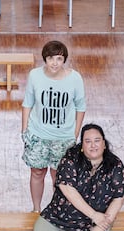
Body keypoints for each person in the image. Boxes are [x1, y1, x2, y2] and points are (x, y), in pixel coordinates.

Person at [22, 40, 86, 213]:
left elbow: (81, 107)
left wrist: (75, 132)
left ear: (64, 59)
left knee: (58, 176)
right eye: (51, 58)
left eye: (59, 58)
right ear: (45, 59)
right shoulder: (35, 75)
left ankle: (57, 211)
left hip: (63, 138)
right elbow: (27, 103)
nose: (55, 63)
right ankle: (36, 210)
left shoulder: (75, 78)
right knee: (37, 173)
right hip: (38, 135)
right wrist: (24, 130)